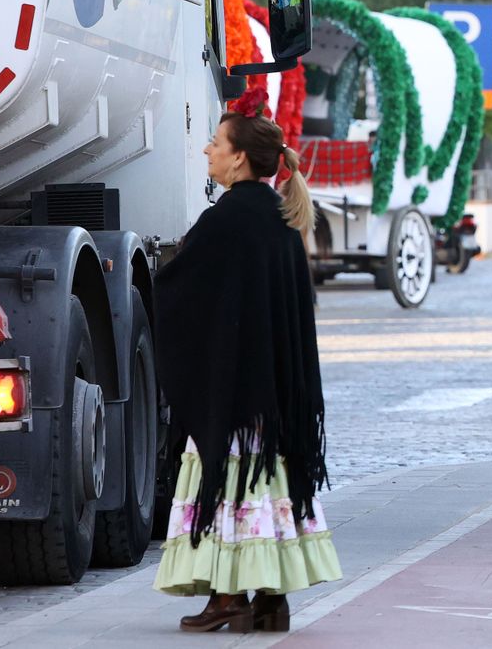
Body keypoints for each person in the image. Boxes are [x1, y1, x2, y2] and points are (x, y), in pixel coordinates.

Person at [152, 89, 342, 633]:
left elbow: (180, 292)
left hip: (233, 390)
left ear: (238, 157)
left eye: (215, 142)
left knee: (230, 484)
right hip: (274, 394)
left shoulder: (227, 218)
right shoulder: (280, 218)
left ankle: (228, 595)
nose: (208, 149)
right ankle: (271, 599)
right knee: (267, 488)